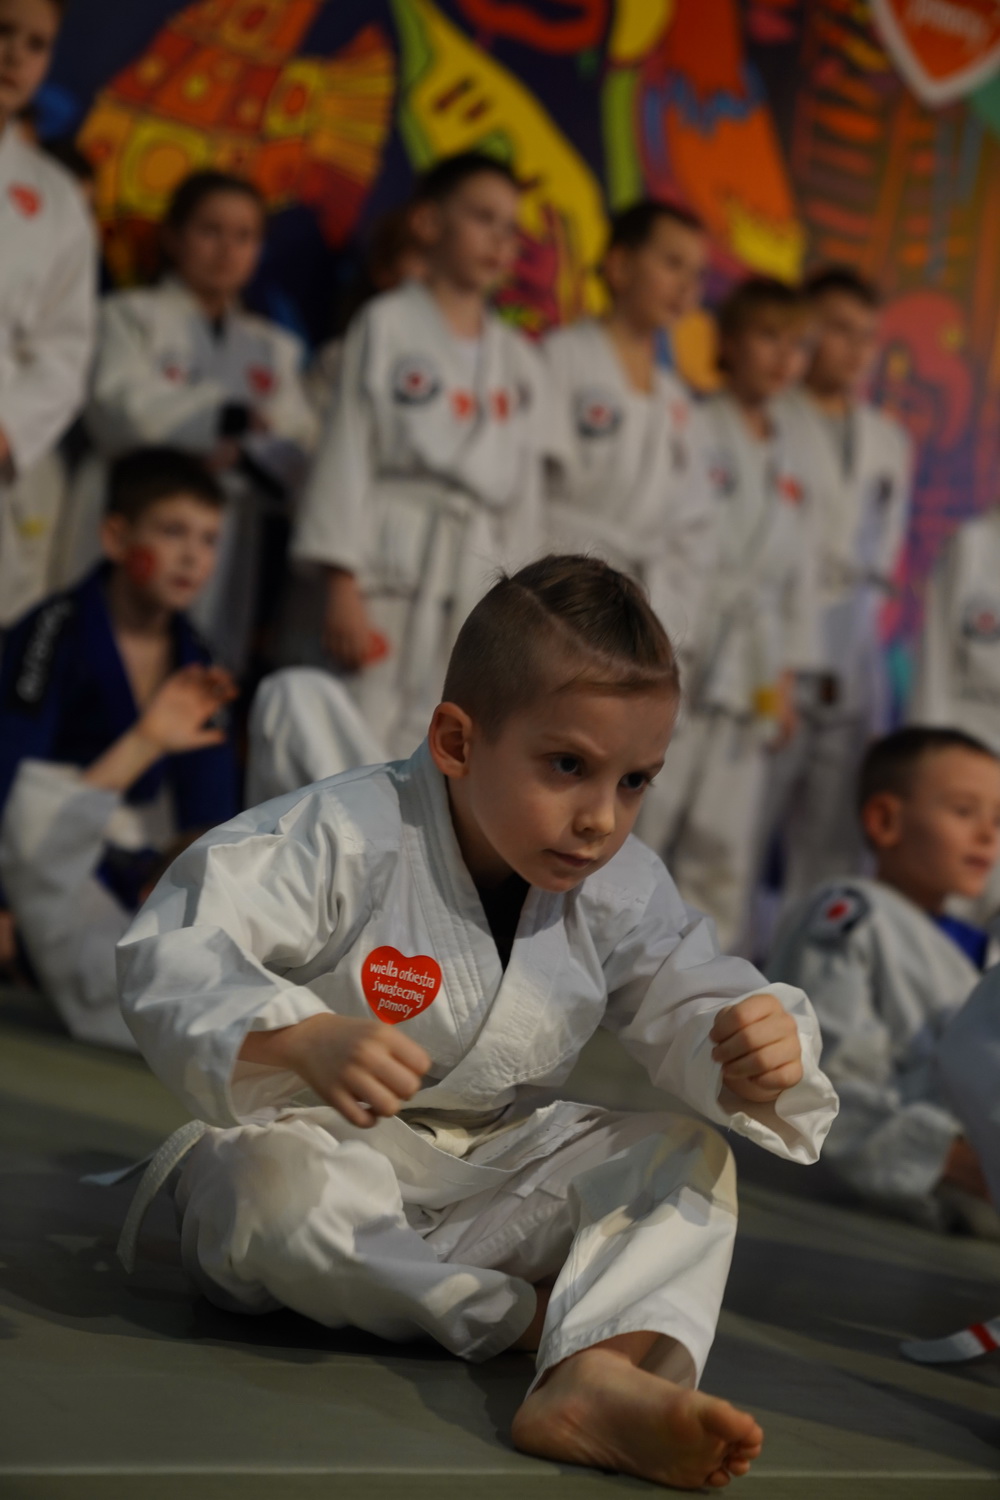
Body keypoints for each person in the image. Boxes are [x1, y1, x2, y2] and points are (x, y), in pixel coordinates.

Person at [117, 555, 837, 1491]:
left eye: (635, 782)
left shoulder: (619, 886)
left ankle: (589, 1381)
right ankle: (538, 1324)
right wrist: (294, 1037)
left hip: (493, 1175)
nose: (600, 818)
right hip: (323, 1152)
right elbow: (178, 940)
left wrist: (755, 1041)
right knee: (264, 1195)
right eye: (569, 766)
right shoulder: (346, 832)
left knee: (683, 1158)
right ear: (457, 740)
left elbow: (690, 985)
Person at [291, 151, 544, 760]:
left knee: (443, 740)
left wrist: (527, 609)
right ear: (428, 222)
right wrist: (341, 582)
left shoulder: (518, 356)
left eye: (510, 228)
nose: (499, 240)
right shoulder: (386, 322)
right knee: (354, 733)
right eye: (483, 218)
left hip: (475, 572)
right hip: (387, 560)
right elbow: (348, 448)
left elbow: (524, 492)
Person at [0, 446, 239, 995]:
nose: (192, 557)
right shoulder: (51, 631)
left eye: (208, 540)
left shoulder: (200, 659)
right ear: (116, 537)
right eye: (173, 532)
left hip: (131, 868)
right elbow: (7, 768)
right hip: (40, 852)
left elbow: (210, 809)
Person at [63, 169, 317, 673]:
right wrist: (225, 419)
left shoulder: (274, 348)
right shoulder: (128, 315)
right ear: (174, 237)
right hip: (132, 513)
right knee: (97, 661)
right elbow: (116, 408)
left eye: (244, 236)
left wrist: (246, 456)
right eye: (210, 231)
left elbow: (299, 448)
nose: (227, 250)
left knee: (200, 668)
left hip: (225, 530)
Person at [640, 277, 818, 948]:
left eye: (795, 344)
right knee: (649, 808)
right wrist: (655, 638)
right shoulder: (694, 422)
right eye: (769, 337)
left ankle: (696, 976)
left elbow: (798, 574)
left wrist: (786, 677)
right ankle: (596, 956)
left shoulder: (791, 452)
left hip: (754, 663)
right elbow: (666, 537)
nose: (783, 358)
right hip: (687, 634)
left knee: (725, 835)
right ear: (730, 342)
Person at [768, 727, 1000, 1232]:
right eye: (964, 811)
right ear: (885, 820)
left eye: (998, 819)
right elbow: (825, 1074)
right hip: (934, 1176)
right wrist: (949, 1159)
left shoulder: (977, 944)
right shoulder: (852, 914)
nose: (987, 834)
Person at [764, 266, 912, 902]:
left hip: (853, 645)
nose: (855, 349)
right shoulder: (771, 417)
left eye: (866, 335)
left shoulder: (889, 439)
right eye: (839, 330)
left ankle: (807, 959)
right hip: (778, 640)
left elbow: (886, 549)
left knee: (833, 840)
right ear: (806, 331)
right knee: (743, 823)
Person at [541, 201, 713, 661]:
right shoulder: (562, 357)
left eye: (697, 275)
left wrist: (673, 619)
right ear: (619, 266)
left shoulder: (678, 401)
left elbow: (693, 527)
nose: (686, 287)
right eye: (672, 263)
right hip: (558, 590)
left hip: (641, 605)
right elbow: (526, 490)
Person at [0, 0, 96, 627]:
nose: (15, 54)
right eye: (2, 31)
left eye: (36, 44)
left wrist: (6, 431)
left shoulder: (55, 197)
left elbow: (65, 350)